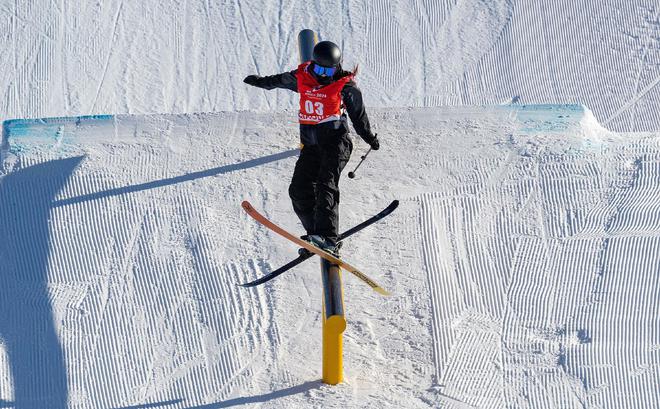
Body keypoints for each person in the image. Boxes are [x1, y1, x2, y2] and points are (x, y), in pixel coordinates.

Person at [244, 40, 379, 254]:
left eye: (328, 70)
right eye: (319, 68)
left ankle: (328, 238)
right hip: (312, 147)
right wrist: (259, 82)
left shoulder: (345, 86)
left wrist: (370, 138)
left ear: (337, 67)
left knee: (326, 182)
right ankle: (316, 236)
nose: (323, 74)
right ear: (312, 64)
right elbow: (278, 80)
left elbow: (358, 116)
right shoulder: (302, 78)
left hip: (336, 142)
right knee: (298, 190)